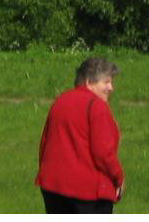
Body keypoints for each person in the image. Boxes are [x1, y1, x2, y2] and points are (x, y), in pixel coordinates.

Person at [36, 57, 124, 214]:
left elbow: (45, 143)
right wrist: (118, 178)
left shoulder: (61, 100)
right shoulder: (97, 107)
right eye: (106, 82)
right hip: (86, 194)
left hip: (53, 188)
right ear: (89, 82)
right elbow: (103, 153)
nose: (111, 88)